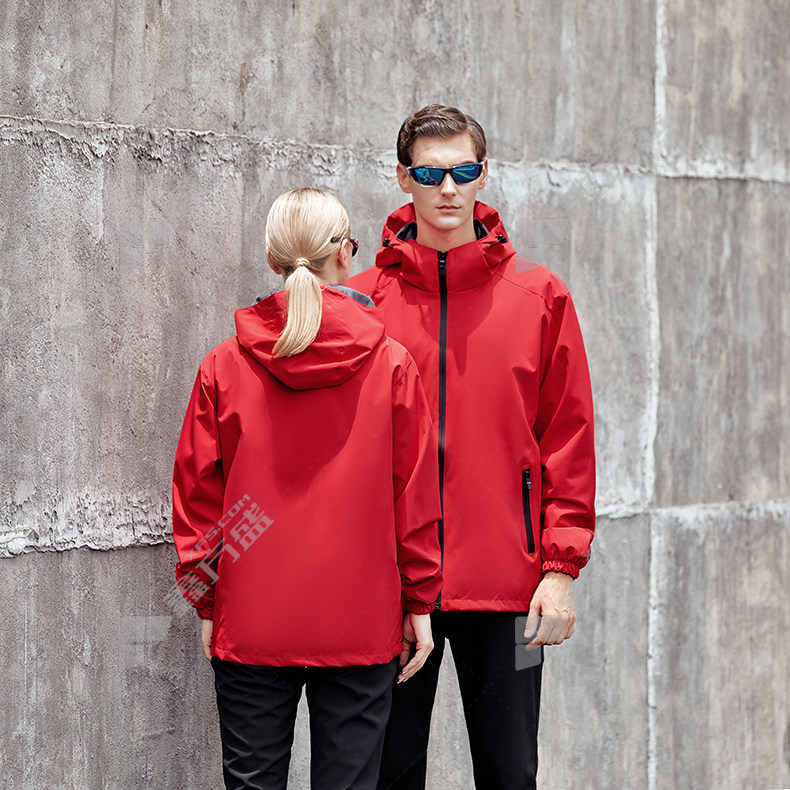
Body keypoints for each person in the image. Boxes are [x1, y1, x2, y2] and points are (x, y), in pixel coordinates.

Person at [348, 105, 596, 789]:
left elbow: (568, 437)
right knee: (388, 775)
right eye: (431, 173)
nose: (448, 188)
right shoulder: (362, 305)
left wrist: (560, 568)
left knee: (512, 772)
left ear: (484, 174)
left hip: (512, 588)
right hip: (394, 590)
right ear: (405, 178)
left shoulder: (539, 296)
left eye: (463, 171)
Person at [172, 188, 443, 790]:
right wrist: (420, 602)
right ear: (345, 254)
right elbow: (415, 499)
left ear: (272, 259)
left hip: (252, 618)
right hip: (360, 621)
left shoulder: (224, 366)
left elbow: (197, 500)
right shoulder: (392, 365)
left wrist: (206, 599)